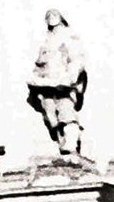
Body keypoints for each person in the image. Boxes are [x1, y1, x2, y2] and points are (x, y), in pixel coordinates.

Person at [25, 9, 89, 156]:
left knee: (66, 113)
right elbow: (39, 66)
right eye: (48, 18)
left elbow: (77, 61)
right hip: (47, 86)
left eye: (54, 17)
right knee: (51, 117)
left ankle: (71, 143)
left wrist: (70, 78)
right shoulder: (46, 44)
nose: (51, 20)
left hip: (64, 87)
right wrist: (35, 80)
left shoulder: (69, 37)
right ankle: (62, 142)